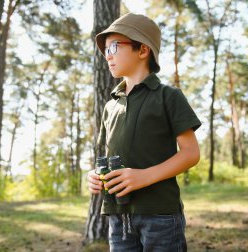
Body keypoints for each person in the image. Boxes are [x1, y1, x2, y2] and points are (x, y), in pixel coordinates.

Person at [87, 12, 201, 252]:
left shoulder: (168, 97)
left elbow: (191, 153)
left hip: (160, 215)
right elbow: (108, 156)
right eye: (105, 49)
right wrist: (95, 176)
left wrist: (144, 177)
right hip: (118, 216)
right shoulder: (111, 106)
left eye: (114, 47)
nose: (108, 55)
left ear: (142, 50)